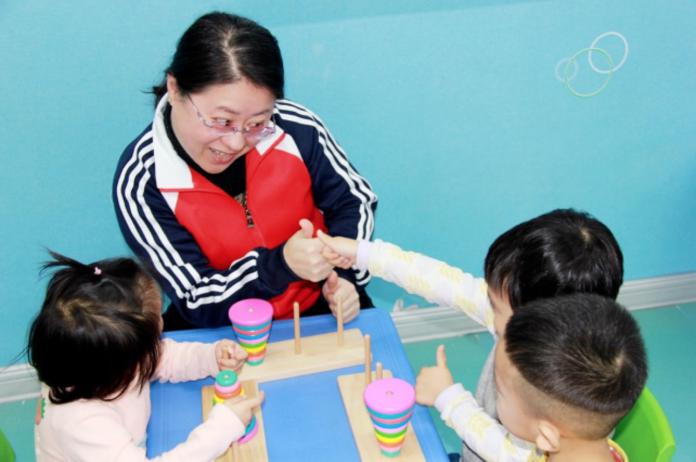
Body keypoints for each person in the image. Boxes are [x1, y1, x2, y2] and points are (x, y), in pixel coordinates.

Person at [113, 12, 377, 330]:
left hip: (320, 304)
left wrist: (345, 277)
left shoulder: (295, 127)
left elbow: (353, 201)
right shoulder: (142, 181)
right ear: (175, 88)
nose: (236, 142)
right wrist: (280, 265)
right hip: (222, 326)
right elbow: (195, 296)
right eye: (221, 121)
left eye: (256, 123)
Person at [317, 208, 624, 460]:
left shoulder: (565, 398)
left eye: (496, 307)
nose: (488, 308)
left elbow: (510, 453)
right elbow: (442, 281)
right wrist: (362, 253)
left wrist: (447, 397)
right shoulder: (530, 320)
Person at [29, 251, 263, 461]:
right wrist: (221, 430)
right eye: (158, 320)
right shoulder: (83, 424)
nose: (162, 323)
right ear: (124, 364)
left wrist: (211, 357)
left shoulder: (101, 362)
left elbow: (166, 357)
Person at [418, 294, 647, 461]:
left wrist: (447, 396)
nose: (493, 396)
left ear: (546, 437)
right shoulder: (579, 443)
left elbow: (500, 448)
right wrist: (446, 395)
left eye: (500, 393)